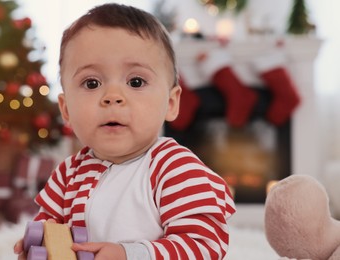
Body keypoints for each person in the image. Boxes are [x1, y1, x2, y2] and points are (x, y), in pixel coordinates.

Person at [14, 3, 235, 260]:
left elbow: (204, 245)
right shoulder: (67, 176)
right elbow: (49, 230)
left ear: (171, 103)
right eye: (92, 83)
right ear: (66, 110)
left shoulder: (174, 168)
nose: (112, 97)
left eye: (136, 82)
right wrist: (36, 247)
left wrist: (129, 254)